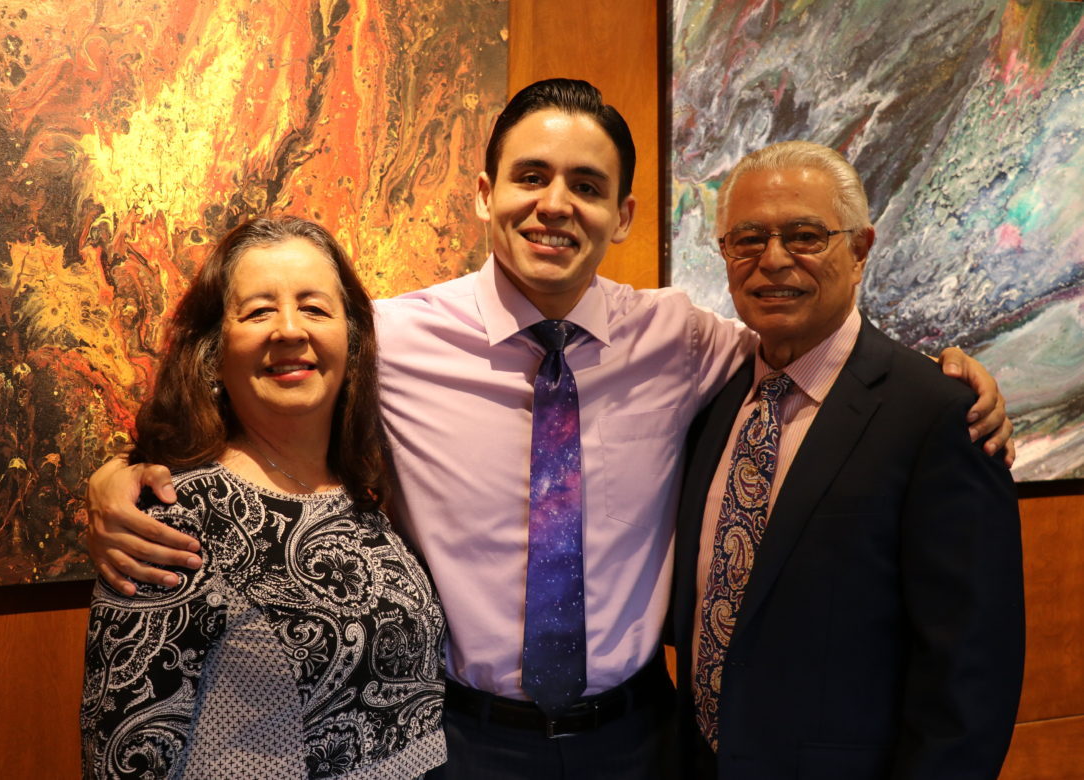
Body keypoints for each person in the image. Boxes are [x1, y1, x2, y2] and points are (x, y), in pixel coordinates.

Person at [83, 82, 1011, 779]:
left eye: (586, 184)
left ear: (624, 213)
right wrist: (123, 471)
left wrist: (955, 374)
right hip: (462, 743)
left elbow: (815, 351)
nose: (554, 204)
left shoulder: (683, 338)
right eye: (530, 176)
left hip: (644, 742)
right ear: (486, 192)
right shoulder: (391, 338)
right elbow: (265, 390)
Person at [670, 141, 1025, 779]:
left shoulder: (939, 416)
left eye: (805, 235)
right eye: (746, 239)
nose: (772, 261)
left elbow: (971, 676)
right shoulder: (711, 402)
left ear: (860, 250)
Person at [80, 218, 446, 779]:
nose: (290, 330)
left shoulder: (364, 495)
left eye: (315, 308)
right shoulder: (173, 515)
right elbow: (122, 756)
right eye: (258, 311)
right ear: (212, 354)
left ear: (351, 343)